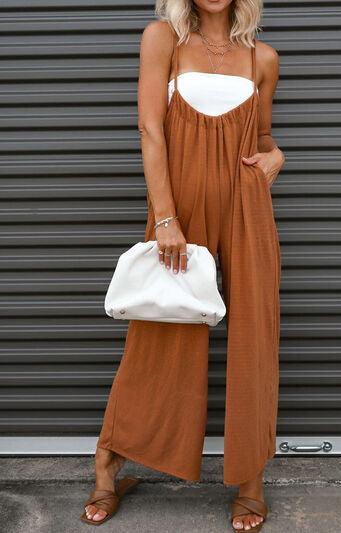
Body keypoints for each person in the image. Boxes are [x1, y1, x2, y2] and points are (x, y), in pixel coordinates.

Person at [81, 0, 285, 531]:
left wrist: (276, 158)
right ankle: (109, 464)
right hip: (180, 208)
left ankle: (251, 480)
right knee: (159, 331)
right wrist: (166, 217)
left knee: (254, 338)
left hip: (246, 205)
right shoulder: (162, 39)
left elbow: (261, 139)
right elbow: (150, 128)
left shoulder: (263, 57)